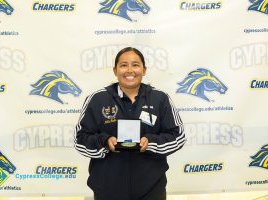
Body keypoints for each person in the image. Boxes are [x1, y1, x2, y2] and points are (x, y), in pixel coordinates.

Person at [74, 47, 186, 200]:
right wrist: (105, 142)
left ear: (144, 70)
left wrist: (151, 143)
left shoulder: (160, 99)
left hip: (151, 189)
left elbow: (178, 136)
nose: (129, 70)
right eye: (123, 65)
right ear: (115, 70)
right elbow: (80, 140)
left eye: (135, 65)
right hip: (107, 189)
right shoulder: (97, 99)